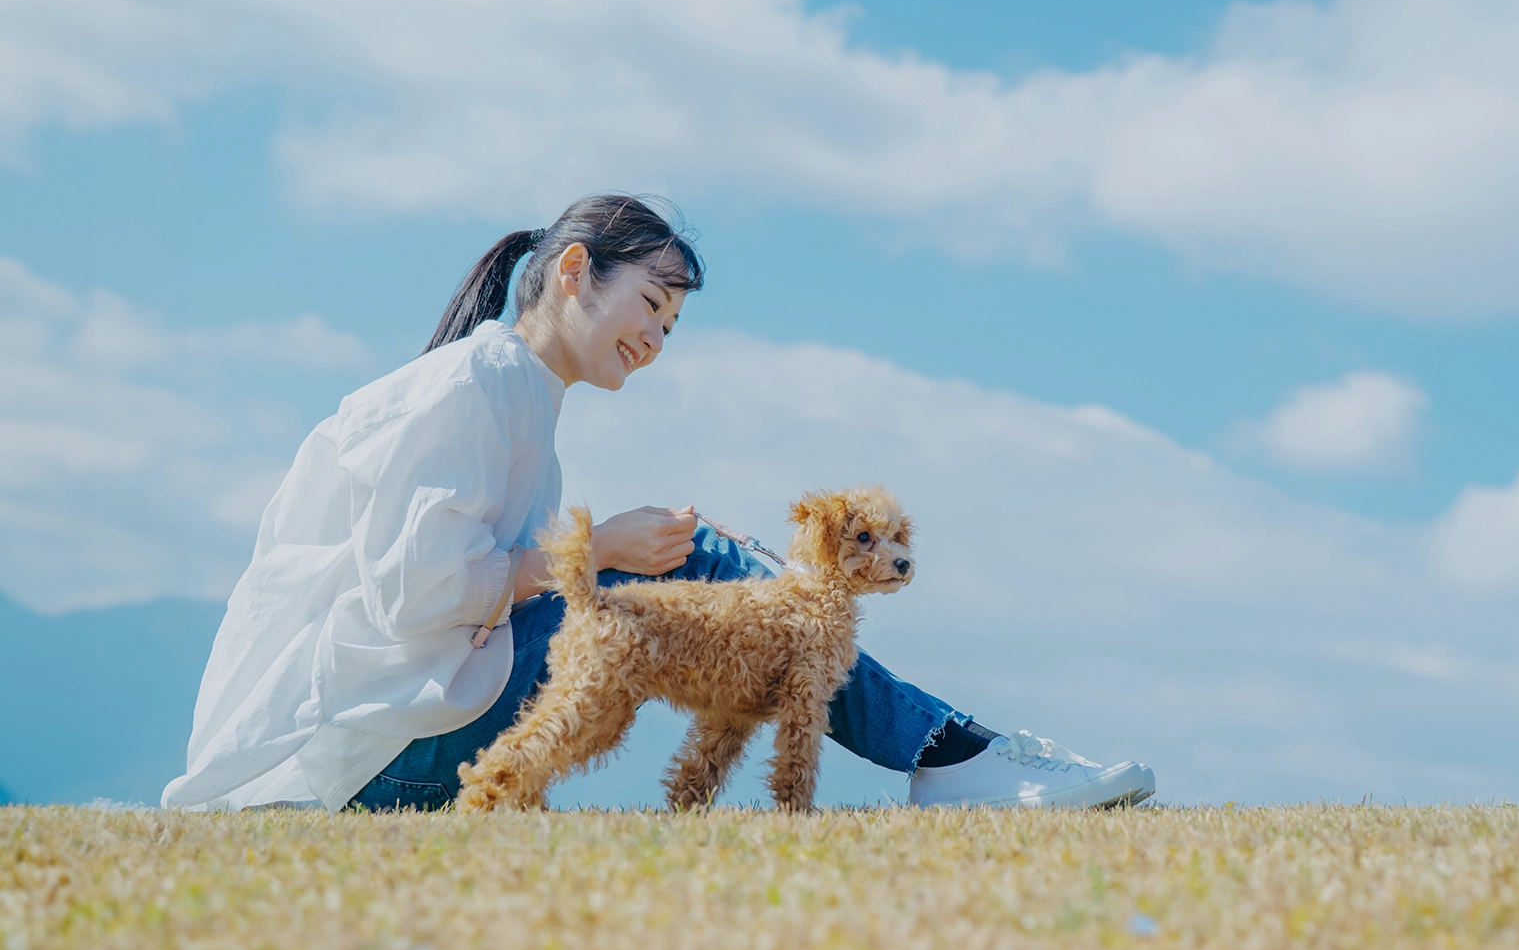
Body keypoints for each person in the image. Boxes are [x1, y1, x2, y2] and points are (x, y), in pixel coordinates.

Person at [163, 195, 1154, 812]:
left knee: (711, 571)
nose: (656, 339)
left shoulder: (515, 397)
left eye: (672, 326)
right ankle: (957, 757)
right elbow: (418, 599)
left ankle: (955, 752)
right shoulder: (473, 386)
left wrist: (612, 554)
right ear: (573, 272)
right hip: (358, 763)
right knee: (719, 571)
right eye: (650, 305)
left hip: (385, 745)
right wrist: (602, 555)